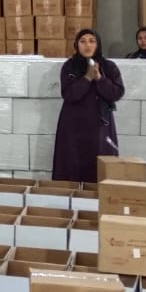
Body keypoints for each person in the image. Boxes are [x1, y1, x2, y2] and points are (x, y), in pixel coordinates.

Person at [51, 28, 124, 181]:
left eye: (92, 41)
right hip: (72, 127)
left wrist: (100, 79)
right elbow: (69, 95)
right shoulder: (69, 67)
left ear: (98, 44)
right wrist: (87, 78)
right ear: (77, 45)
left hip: (100, 128)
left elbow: (116, 93)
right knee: (71, 165)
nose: (87, 45)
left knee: (99, 168)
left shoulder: (108, 67)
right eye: (83, 41)